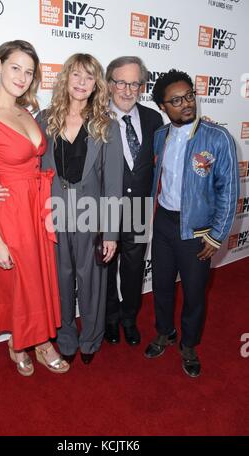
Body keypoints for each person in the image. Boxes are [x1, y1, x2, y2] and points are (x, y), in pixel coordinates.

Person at [0, 53, 124, 365]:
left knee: (92, 283)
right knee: (59, 280)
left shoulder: (107, 126)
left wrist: (112, 234)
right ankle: (65, 338)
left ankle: (90, 340)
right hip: (51, 214)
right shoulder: (44, 119)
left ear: (96, 85)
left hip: (92, 215)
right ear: (66, 78)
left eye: (88, 77)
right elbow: (21, 161)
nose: (81, 83)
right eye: (76, 75)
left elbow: (114, 185)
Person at [0, 40, 69, 376]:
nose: (22, 77)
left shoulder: (25, 112)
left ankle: (39, 340)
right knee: (20, 281)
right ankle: (19, 342)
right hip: (10, 214)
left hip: (36, 207)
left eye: (28, 71)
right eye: (15, 67)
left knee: (38, 278)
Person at [144, 69, 239, 377]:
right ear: (162, 107)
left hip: (197, 231)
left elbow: (230, 189)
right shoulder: (160, 136)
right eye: (176, 100)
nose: (186, 104)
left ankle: (188, 345)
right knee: (161, 287)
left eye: (188, 96)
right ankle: (165, 332)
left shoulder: (218, 137)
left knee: (195, 293)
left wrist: (216, 236)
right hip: (165, 224)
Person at [104, 56, 163, 346]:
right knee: (105, 269)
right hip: (101, 210)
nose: (128, 90)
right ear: (108, 84)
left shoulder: (154, 118)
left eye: (135, 83)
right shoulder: (95, 118)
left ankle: (129, 318)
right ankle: (110, 319)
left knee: (133, 268)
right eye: (121, 82)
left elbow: (172, 151)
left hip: (139, 209)